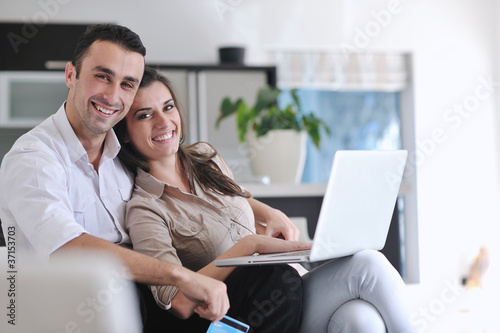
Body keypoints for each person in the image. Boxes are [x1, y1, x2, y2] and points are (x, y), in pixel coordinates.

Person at [115, 66, 416, 333]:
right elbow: (176, 301)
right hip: (253, 314)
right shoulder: (145, 208)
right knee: (368, 265)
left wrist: (268, 212)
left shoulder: (206, 159)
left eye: (168, 107)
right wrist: (249, 246)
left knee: (361, 320)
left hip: (289, 293)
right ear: (125, 134)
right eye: (144, 115)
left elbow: (234, 198)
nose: (163, 121)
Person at [0, 24, 229, 325]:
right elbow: (65, 247)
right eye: (103, 76)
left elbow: (180, 184)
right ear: (71, 75)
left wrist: (258, 209)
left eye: (127, 84)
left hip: (145, 304)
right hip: (71, 315)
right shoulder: (33, 158)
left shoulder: (124, 152)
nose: (112, 96)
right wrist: (180, 276)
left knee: (264, 284)